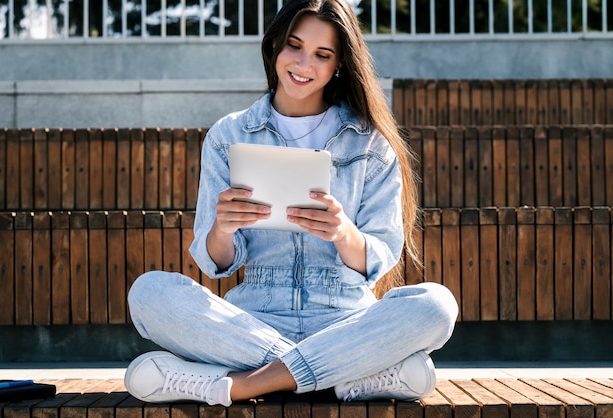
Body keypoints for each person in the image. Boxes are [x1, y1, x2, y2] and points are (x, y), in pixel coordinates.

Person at [124, 0, 458, 407]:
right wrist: (223, 227)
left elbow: (380, 257)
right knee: (148, 293)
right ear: (275, 47)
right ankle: (342, 378)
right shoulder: (229, 134)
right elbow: (216, 262)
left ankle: (242, 385)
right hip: (255, 317)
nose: (303, 64)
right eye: (294, 46)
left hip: (343, 318)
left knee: (437, 306)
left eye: (322, 55)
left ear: (339, 65)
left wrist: (343, 233)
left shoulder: (370, 143)